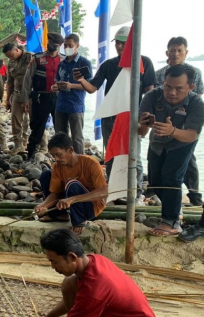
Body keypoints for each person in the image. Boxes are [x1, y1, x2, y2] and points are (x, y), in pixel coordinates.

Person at [11, 229, 161, 317]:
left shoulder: (95, 287)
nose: (52, 267)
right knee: (69, 283)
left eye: (54, 262)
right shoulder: (94, 260)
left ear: (72, 257)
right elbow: (80, 303)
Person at [75, 26, 156, 205]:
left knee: (133, 153)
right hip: (111, 117)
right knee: (111, 153)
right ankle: (115, 190)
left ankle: (136, 192)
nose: (120, 47)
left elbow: (150, 92)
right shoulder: (108, 65)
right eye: (118, 43)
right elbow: (92, 88)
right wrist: (81, 80)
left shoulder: (145, 63)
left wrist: (147, 118)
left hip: (133, 117)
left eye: (124, 43)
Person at [139, 65, 204, 237]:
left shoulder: (196, 103)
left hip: (182, 142)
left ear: (191, 88)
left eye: (179, 88)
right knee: (155, 181)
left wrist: (173, 131)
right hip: (158, 142)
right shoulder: (152, 96)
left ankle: (172, 221)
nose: (172, 92)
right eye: (168, 86)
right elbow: (140, 131)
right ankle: (175, 209)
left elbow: (192, 134)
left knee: (172, 177)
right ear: (163, 83)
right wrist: (142, 124)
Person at [155, 37, 203, 206]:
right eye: (172, 50)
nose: (175, 54)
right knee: (161, 160)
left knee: (189, 160)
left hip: (185, 127)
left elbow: (198, 100)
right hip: (163, 126)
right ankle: (165, 196)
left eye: (179, 50)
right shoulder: (160, 73)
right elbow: (155, 99)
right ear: (167, 53)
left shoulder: (195, 73)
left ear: (186, 52)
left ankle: (194, 194)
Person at [34, 133, 108, 235]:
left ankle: (79, 221)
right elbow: (55, 193)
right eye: (53, 155)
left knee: (71, 183)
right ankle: (59, 215)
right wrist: (43, 205)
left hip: (90, 207)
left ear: (70, 150)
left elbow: (104, 191)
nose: (56, 159)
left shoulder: (91, 163)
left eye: (59, 154)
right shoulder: (57, 166)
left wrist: (72, 199)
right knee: (46, 175)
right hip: (70, 201)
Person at [22, 32, 65, 162]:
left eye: (54, 44)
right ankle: (31, 154)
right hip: (41, 97)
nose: (51, 45)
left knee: (61, 128)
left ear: (60, 45)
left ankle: (62, 155)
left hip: (59, 98)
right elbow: (27, 80)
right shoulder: (37, 58)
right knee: (37, 127)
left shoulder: (63, 60)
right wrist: (25, 99)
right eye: (49, 42)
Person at [51, 33, 92, 155]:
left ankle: (80, 165)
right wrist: (56, 87)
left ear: (77, 46)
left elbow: (89, 86)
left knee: (77, 138)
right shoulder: (62, 63)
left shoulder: (84, 63)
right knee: (60, 137)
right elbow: (57, 80)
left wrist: (71, 85)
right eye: (66, 45)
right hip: (61, 105)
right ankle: (63, 162)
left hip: (76, 105)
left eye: (71, 45)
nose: (68, 47)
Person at [3, 43, 33, 154]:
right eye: (8, 57)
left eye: (11, 55)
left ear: (16, 49)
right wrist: (8, 99)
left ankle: (41, 145)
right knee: (15, 120)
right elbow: (10, 82)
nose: (10, 58)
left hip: (31, 94)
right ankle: (18, 145)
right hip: (17, 93)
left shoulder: (30, 57)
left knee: (35, 120)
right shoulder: (10, 63)